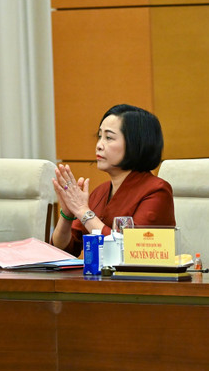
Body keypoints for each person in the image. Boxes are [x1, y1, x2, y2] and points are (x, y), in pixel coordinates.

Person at [51, 104, 175, 257]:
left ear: (135, 144)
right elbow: (63, 250)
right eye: (99, 136)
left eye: (108, 138)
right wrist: (67, 214)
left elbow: (131, 250)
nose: (99, 145)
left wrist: (83, 212)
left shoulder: (157, 191)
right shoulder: (101, 191)